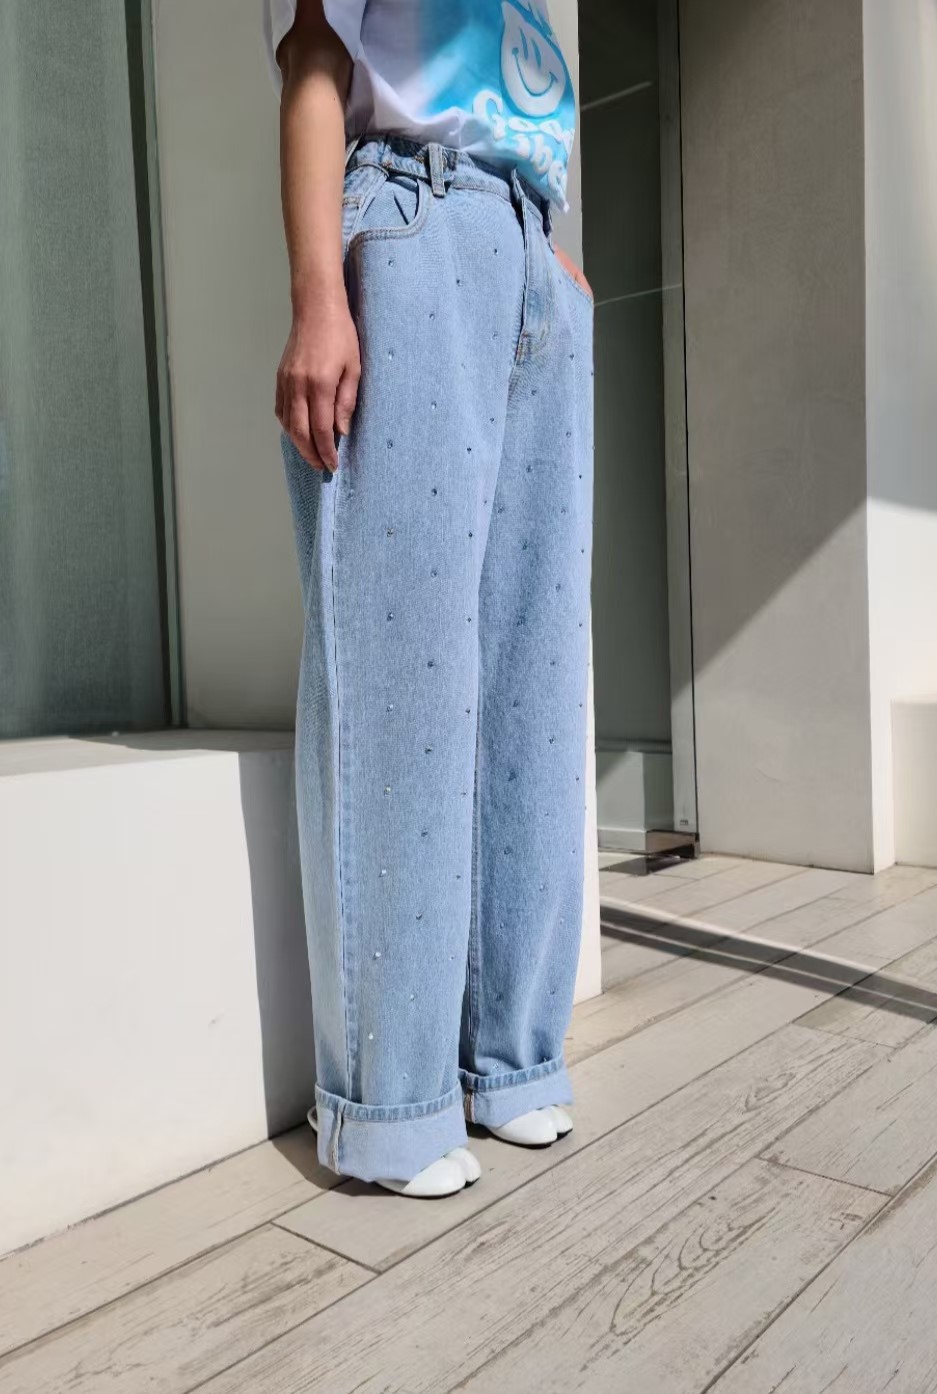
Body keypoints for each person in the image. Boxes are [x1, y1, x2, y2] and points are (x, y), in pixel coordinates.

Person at [265, 0, 593, 1197]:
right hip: (410, 218)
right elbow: (313, 51)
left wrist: (549, 251)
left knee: (534, 680)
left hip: (529, 252)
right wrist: (319, 291)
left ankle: (512, 1055)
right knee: (401, 672)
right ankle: (390, 1099)